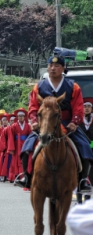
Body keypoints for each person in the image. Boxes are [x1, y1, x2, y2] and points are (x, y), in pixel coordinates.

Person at [18, 56, 93, 195]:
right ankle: (26, 177)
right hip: (45, 123)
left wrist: (74, 122)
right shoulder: (39, 86)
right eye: (51, 65)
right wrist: (34, 121)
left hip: (66, 123)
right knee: (26, 147)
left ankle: (83, 180)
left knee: (85, 147)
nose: (53, 68)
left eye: (57, 66)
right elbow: (33, 106)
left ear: (63, 69)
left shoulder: (73, 86)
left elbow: (78, 107)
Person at [6, 108, 32, 191]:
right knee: (16, 162)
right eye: (19, 116)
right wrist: (11, 148)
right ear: (17, 117)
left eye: (22, 116)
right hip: (17, 145)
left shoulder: (28, 126)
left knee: (25, 161)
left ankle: (24, 177)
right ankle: (16, 177)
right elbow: (10, 137)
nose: (21, 118)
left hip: (25, 144)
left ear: (24, 117)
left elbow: (30, 136)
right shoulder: (13, 126)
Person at [77, 98, 93, 203]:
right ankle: (79, 198)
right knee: (79, 172)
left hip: (92, 149)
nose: (86, 109)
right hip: (81, 149)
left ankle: (88, 197)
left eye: (88, 107)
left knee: (91, 174)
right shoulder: (77, 120)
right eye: (84, 106)